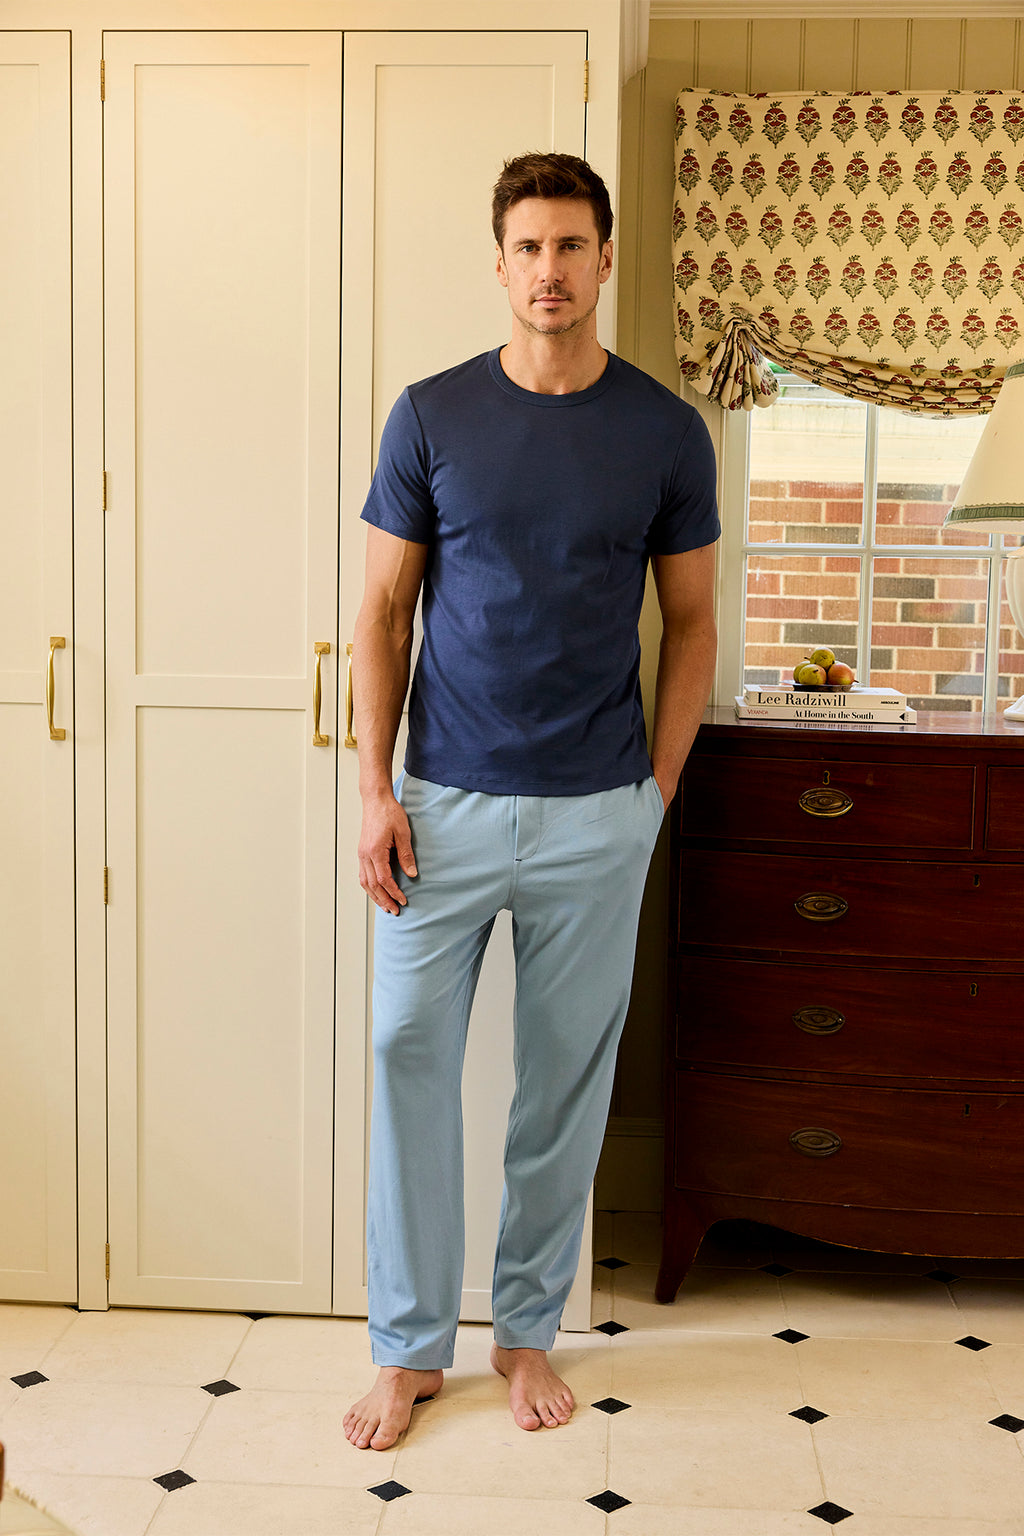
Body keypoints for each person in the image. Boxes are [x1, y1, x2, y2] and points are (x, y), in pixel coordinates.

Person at [343, 152, 719, 1452]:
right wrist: (371, 792)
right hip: (437, 811)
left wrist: (651, 799)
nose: (550, 270)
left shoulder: (667, 432)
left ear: (606, 260)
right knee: (407, 1055)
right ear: (499, 264)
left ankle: (522, 1333)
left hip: (594, 814)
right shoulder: (431, 416)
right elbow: (382, 615)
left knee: (561, 1085)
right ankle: (407, 1348)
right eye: (528, 248)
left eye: (572, 246)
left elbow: (692, 627)